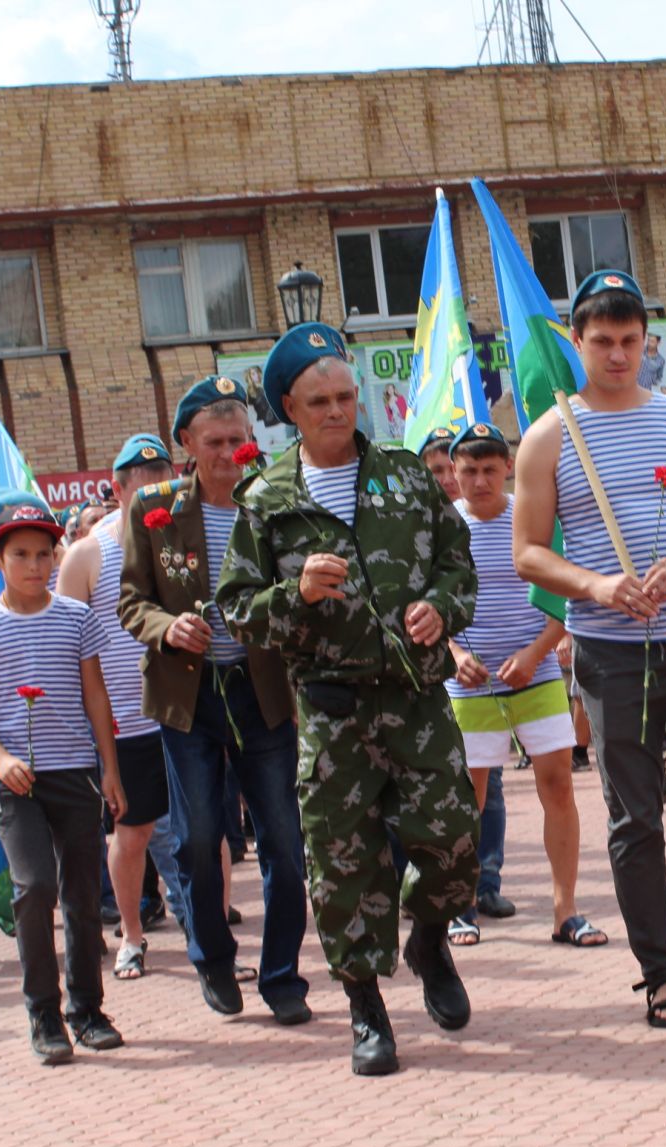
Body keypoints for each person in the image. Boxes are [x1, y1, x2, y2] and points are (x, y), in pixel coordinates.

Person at [218, 322, 480, 1077]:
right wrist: (293, 596)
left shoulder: (405, 475)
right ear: (291, 411)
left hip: (418, 701)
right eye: (319, 401)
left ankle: (429, 937)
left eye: (346, 396)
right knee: (342, 864)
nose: (338, 412)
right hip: (332, 713)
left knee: (452, 839)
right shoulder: (267, 501)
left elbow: (459, 570)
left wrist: (441, 608)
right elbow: (236, 609)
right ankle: (366, 1006)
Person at [512, 270, 666, 1029]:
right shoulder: (549, 436)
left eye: (630, 342)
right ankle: (660, 971)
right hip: (611, 653)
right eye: (602, 343)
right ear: (578, 343)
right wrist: (594, 586)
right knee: (637, 817)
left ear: (646, 344)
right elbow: (527, 553)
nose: (617, 356)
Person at [119, 376, 313, 1027]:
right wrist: (165, 627)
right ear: (186, 444)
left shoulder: (275, 502)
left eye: (238, 439)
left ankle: (283, 974)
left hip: (263, 695)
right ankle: (212, 954)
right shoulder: (155, 507)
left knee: (284, 841)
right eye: (214, 442)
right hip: (188, 697)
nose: (228, 453)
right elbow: (130, 601)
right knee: (200, 835)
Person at [0, 493, 126, 1064]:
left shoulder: (78, 619)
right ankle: (43, 1014)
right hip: (16, 781)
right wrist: (0, 759)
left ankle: (88, 1010)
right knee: (34, 889)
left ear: (57, 557)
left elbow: (95, 695)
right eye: (21, 554)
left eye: (43, 554)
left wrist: (110, 768)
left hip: (74, 772)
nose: (34, 565)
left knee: (81, 895)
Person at [444, 422, 605, 949]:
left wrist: (536, 653)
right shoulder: (442, 527)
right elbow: (423, 606)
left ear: (507, 468)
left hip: (534, 675)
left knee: (558, 787)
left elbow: (569, 597)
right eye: (469, 471)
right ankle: (461, 906)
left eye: (490, 469)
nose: (480, 481)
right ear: (455, 473)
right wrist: (456, 652)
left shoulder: (532, 520)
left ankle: (566, 912)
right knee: (469, 796)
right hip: (469, 684)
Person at [58, 433, 186, 980]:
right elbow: (66, 643)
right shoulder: (90, 552)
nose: (156, 493)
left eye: (164, 480)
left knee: (200, 829)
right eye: (143, 485)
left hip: (184, 712)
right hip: (125, 723)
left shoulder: (187, 536)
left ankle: (209, 933)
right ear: (118, 489)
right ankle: (132, 936)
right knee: (130, 834)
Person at [416, 424, 513, 923]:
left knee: (487, 785)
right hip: (431, 681)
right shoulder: (421, 529)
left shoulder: (499, 517)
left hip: (489, 679)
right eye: (440, 471)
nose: (453, 481)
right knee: (440, 791)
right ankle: (438, 888)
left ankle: (485, 882)